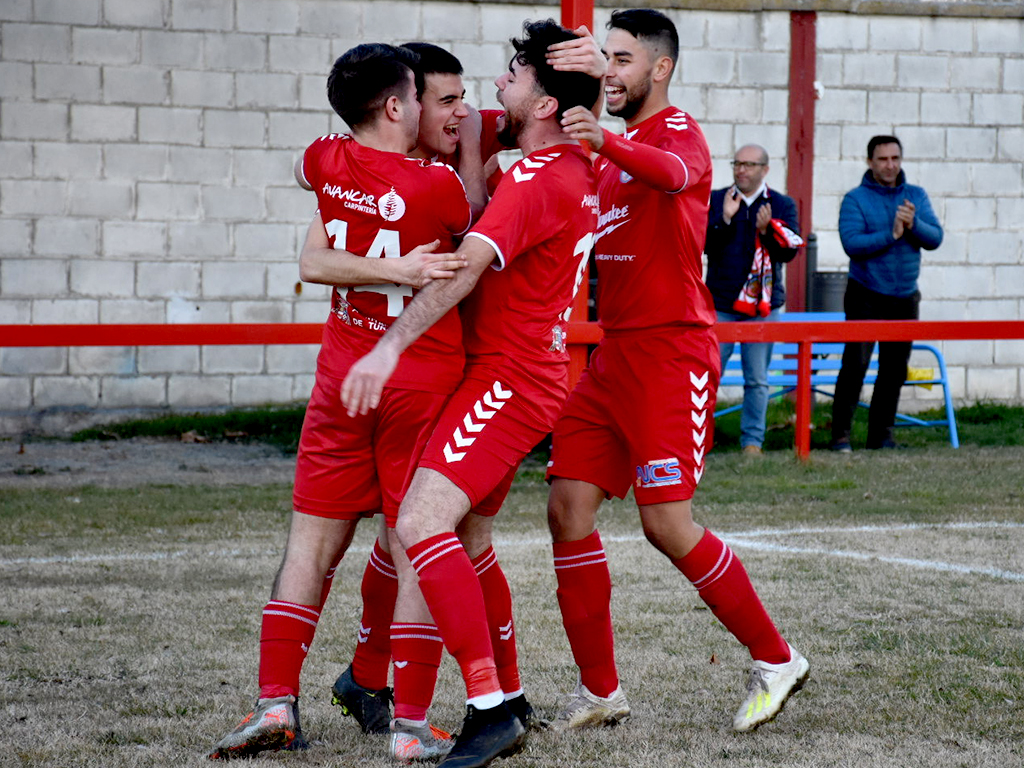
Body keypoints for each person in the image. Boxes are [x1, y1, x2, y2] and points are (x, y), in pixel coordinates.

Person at [341, 19, 601, 768]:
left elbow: (459, 272)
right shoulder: (572, 161)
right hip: (525, 375)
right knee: (474, 541)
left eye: (513, 75)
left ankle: (488, 709)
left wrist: (386, 349)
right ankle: (511, 695)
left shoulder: (533, 178)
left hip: (507, 380)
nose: (497, 88)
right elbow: (459, 115)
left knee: (421, 522)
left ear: (546, 104)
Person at [544, 8, 809, 735]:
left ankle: (776, 658)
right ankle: (601, 692)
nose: (612, 73)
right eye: (607, 60)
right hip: (613, 357)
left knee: (666, 524)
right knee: (567, 508)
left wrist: (607, 143)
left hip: (671, 354)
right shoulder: (607, 151)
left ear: (659, 67)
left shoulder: (675, 135)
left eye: (623, 60)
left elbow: (672, 173)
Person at [208, 42, 473, 760]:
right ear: (395, 107)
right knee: (412, 541)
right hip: (416, 379)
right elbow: (469, 224)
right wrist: (403, 264)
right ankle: (412, 724)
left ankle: (274, 705)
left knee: (311, 543)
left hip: (340, 374)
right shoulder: (438, 188)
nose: (430, 108)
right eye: (421, 96)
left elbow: (309, 202)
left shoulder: (326, 159)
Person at [831, 135, 943, 452]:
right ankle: (840, 436)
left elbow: (935, 238)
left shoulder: (915, 196)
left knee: (894, 370)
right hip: (865, 293)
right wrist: (892, 233)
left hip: (905, 296)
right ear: (870, 162)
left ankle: (881, 436)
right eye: (883, 159)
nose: (890, 165)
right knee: (855, 366)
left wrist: (913, 224)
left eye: (895, 158)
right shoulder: (855, 199)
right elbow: (852, 244)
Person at [705, 144, 802, 455]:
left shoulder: (782, 205)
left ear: (765, 170)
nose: (741, 170)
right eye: (737, 163)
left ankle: (752, 443)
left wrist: (767, 229)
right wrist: (725, 219)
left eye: (748, 164)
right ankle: (701, 439)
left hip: (762, 308)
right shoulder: (719, 199)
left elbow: (789, 252)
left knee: (757, 378)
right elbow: (705, 244)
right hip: (720, 305)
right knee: (707, 377)